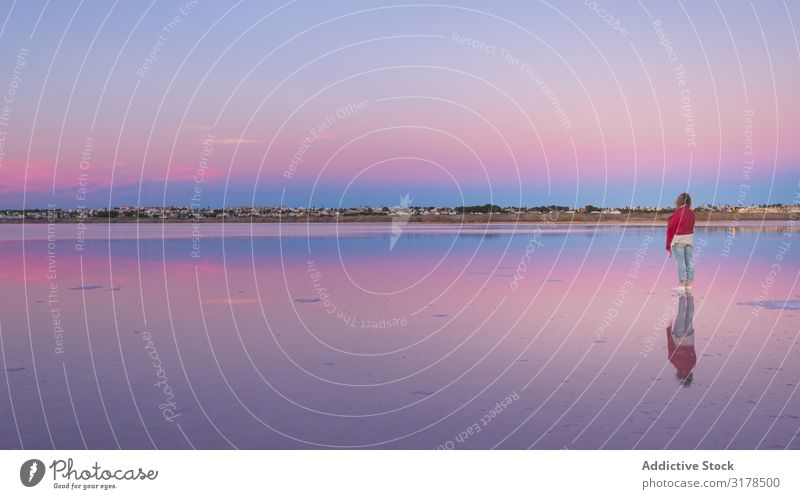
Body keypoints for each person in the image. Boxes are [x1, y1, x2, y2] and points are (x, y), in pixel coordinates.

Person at [666, 192, 695, 294]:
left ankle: (682, 284)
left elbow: (671, 225)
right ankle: (689, 284)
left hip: (679, 240)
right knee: (689, 261)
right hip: (689, 239)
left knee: (681, 262)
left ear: (680, 200)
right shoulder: (692, 213)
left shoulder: (679, 212)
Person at [667, 295, 696, 386]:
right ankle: (683, 295)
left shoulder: (692, 364)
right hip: (679, 337)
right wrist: (668, 330)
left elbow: (693, 350)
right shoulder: (674, 361)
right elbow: (671, 346)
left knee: (690, 316)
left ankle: (690, 296)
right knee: (682, 314)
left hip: (689, 339)